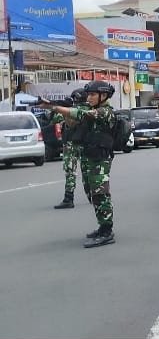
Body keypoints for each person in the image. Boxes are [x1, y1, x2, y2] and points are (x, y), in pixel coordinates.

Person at [39, 81, 117, 248]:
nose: (89, 97)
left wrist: (53, 107)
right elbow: (72, 122)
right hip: (88, 157)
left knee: (100, 194)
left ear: (103, 96)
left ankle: (107, 230)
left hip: (99, 160)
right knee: (91, 193)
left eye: (92, 94)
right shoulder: (91, 110)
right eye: (88, 94)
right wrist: (59, 107)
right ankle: (102, 225)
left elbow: (81, 115)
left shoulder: (106, 112)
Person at [52, 88, 89, 209]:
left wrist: (61, 109)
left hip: (71, 144)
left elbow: (52, 119)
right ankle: (93, 196)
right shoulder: (90, 109)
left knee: (70, 172)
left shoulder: (75, 111)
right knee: (87, 171)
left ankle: (69, 198)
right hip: (85, 145)